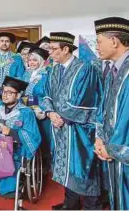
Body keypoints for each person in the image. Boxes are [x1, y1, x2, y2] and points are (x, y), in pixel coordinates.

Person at [41, 32, 103, 210]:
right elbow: (46, 94)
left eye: (53, 49)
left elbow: (86, 100)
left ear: (66, 49)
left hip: (80, 130)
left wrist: (62, 116)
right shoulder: (54, 69)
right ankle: (71, 203)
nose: (50, 53)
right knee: (67, 167)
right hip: (60, 127)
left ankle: (93, 206)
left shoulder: (85, 69)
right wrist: (51, 112)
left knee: (84, 167)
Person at [0, 76, 41, 195]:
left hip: (14, 154)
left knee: (8, 183)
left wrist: (12, 132)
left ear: (18, 95)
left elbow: (33, 137)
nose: (5, 95)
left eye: (10, 92)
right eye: (4, 91)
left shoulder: (26, 113)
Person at [94, 16, 129, 210]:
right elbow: (104, 108)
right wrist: (100, 139)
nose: (97, 47)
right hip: (110, 153)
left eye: (99, 41)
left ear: (114, 41)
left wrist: (112, 149)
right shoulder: (113, 70)